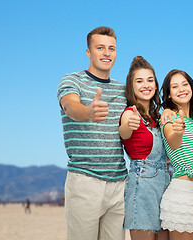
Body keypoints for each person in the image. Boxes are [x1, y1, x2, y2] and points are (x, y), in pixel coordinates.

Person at [57, 26, 127, 240]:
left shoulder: (123, 91)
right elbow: (70, 107)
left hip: (119, 184)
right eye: (100, 48)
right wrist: (88, 112)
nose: (106, 53)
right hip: (85, 181)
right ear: (88, 52)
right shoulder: (72, 81)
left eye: (111, 48)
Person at [119, 56, 170, 240]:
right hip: (142, 186)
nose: (145, 85)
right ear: (131, 86)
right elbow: (124, 132)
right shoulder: (129, 113)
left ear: (156, 85)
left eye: (150, 80)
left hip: (165, 185)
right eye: (139, 81)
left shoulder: (158, 117)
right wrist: (127, 126)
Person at [159, 69, 193, 240]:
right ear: (169, 95)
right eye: (175, 87)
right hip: (181, 195)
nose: (181, 89)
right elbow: (172, 141)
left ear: (192, 87)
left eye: (185, 84)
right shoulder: (169, 119)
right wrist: (178, 132)